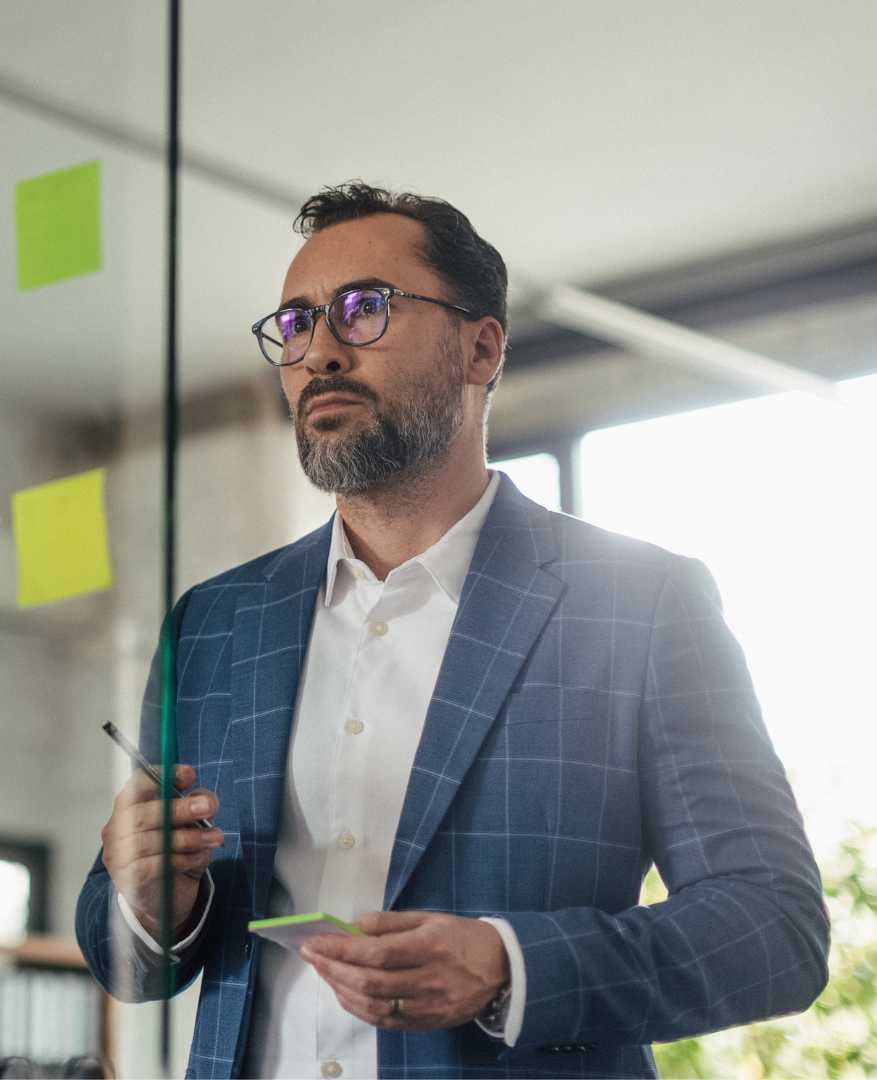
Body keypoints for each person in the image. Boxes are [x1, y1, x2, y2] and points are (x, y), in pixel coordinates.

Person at [73, 182, 829, 1079]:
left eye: (364, 311)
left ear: (482, 347)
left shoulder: (641, 606)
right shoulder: (215, 622)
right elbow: (119, 949)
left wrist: (509, 966)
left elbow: (772, 930)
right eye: (298, 323)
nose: (319, 352)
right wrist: (154, 901)